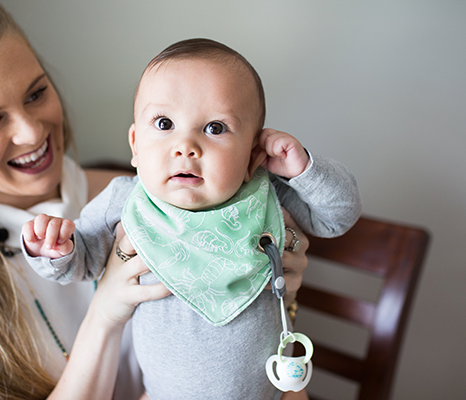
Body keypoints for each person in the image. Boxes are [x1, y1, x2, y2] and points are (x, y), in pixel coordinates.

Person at [0, 1, 310, 400]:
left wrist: (276, 291)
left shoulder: (141, 194)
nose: (32, 132)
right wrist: (105, 312)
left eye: (36, 93)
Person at [22, 39, 362, 400]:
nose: (185, 145)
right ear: (136, 145)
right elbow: (84, 262)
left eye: (215, 128)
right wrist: (55, 248)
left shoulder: (265, 193)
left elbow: (337, 218)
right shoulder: (126, 201)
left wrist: (304, 169)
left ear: (252, 154)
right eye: (165, 123)